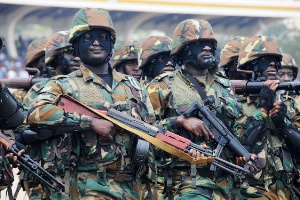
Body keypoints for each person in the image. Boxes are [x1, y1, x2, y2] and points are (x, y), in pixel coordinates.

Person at [27, 8, 157, 199]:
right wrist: (89, 123)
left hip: (134, 187)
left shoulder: (134, 87)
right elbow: (36, 113)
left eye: (103, 37)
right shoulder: (63, 85)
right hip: (88, 186)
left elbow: (152, 127)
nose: (96, 42)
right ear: (77, 47)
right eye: (87, 38)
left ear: (111, 44)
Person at [145, 19, 248, 199]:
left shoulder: (224, 86)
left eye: (210, 44)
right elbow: (144, 131)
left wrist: (243, 152)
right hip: (187, 182)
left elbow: (238, 127)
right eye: (200, 44)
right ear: (183, 49)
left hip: (227, 184)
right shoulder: (162, 85)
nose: (207, 48)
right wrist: (179, 121)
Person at [234, 35, 300, 199]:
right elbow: (238, 146)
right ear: (249, 66)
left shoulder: (290, 105)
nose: (271, 64)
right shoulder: (234, 104)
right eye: (264, 59)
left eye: (275, 60)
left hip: (285, 189)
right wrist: (262, 109)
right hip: (250, 190)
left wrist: (284, 126)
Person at [19, 30, 81, 200]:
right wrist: (50, 129)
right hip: (46, 175)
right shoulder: (39, 91)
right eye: (69, 53)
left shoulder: (91, 90)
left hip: (83, 176)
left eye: (77, 52)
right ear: (56, 57)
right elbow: (20, 132)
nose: (76, 58)